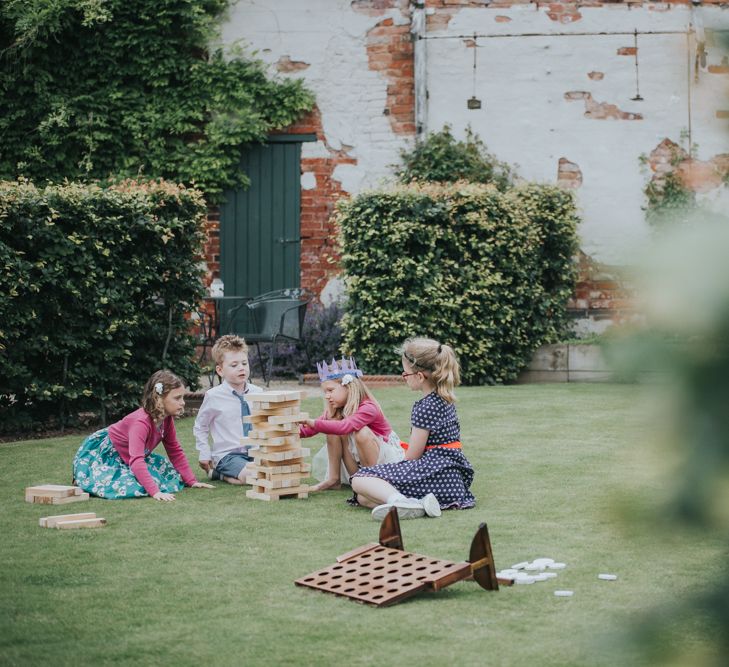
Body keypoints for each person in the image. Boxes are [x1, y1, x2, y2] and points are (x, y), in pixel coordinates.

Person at [351, 337, 475, 520]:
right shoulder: (445, 399)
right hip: (453, 481)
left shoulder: (424, 406)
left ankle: (404, 502)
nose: (404, 378)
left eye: (405, 374)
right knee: (363, 498)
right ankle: (421, 505)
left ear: (419, 376)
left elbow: (412, 456)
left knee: (359, 479)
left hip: (434, 473)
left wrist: (393, 464)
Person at [72, 370, 213, 500]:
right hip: (106, 454)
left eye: (183, 397)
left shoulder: (166, 418)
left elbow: (175, 451)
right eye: (177, 398)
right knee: (130, 486)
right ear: (159, 398)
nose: (182, 403)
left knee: (168, 475)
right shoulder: (141, 422)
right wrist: (155, 492)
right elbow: (136, 460)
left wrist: (192, 481)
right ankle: (87, 475)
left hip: (131, 455)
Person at [300, 357, 404, 492]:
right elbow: (308, 430)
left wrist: (312, 422)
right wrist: (286, 429)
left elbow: (345, 427)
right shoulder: (337, 410)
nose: (327, 396)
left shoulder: (368, 407)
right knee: (332, 424)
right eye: (325, 392)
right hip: (359, 460)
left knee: (361, 432)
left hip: (384, 460)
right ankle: (334, 479)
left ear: (348, 387)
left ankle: (375, 482)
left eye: (330, 390)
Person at [194, 335, 264, 485]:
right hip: (228, 455)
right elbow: (201, 426)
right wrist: (204, 452)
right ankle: (222, 473)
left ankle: (220, 475)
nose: (241, 368)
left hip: (256, 452)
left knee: (272, 472)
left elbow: (265, 422)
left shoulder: (258, 392)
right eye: (234, 365)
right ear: (220, 370)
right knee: (253, 477)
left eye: (244, 363)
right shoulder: (213, 396)